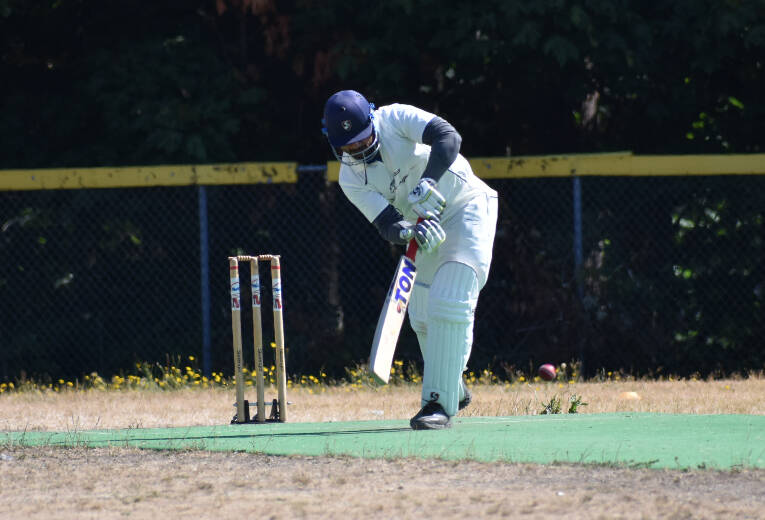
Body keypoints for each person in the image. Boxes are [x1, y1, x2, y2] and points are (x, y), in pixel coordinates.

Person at [322, 90, 498, 430]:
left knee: (450, 300)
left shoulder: (396, 118)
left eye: (362, 141)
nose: (358, 150)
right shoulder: (350, 178)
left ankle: (438, 404)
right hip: (423, 228)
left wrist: (429, 180)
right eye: (349, 147)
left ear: (373, 120)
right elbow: (386, 223)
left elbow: (448, 137)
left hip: (466, 206)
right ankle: (452, 385)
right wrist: (406, 233)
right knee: (421, 316)